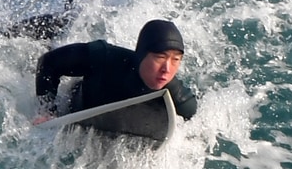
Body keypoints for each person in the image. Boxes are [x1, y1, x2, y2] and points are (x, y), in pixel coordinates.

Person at [34, 18, 198, 123]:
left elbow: (193, 117)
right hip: (78, 103)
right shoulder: (104, 57)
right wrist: (47, 110)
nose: (167, 69)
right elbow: (48, 62)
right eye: (160, 57)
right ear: (141, 55)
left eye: (176, 60)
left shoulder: (175, 94)